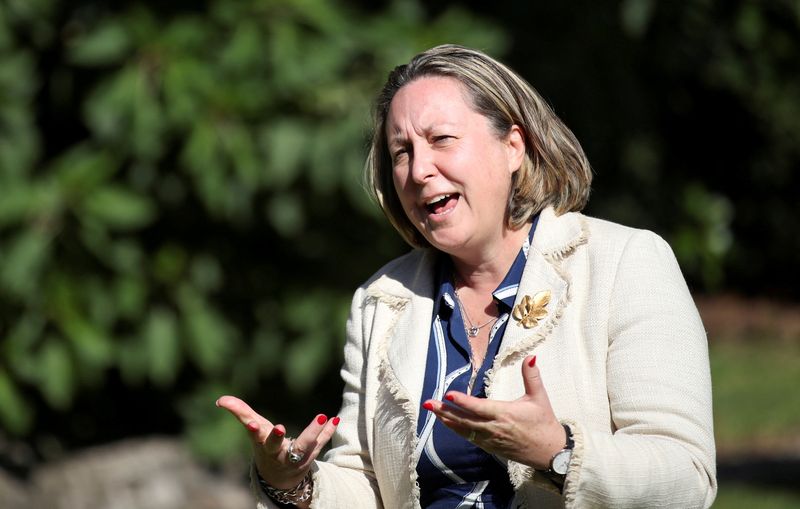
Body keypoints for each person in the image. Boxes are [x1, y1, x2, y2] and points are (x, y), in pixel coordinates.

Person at [217, 44, 717, 508]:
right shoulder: (381, 300)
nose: (419, 170)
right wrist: (295, 484)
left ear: (513, 147)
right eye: (401, 153)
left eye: (441, 140)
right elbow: (368, 485)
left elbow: (686, 476)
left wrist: (558, 451)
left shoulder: (626, 262)